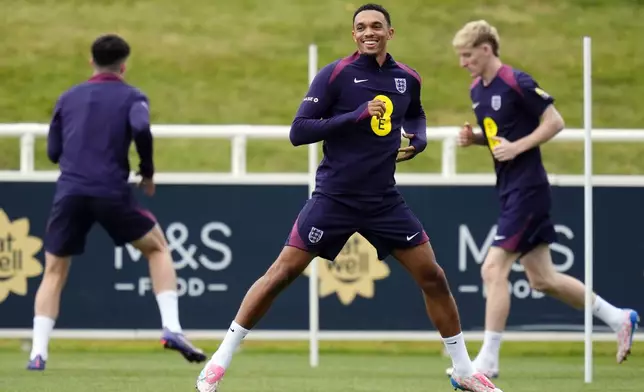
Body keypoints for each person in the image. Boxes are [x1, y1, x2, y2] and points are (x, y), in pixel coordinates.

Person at [195, 4, 503, 392]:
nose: (368, 32)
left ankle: (463, 370)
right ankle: (218, 362)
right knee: (280, 274)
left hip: (383, 200)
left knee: (433, 276)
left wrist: (419, 137)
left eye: (376, 26)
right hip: (335, 198)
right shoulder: (335, 75)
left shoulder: (407, 77)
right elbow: (299, 131)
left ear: (391, 32)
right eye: (361, 27)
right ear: (353, 35)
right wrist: (354, 115)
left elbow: (416, 113)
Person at [446, 19, 639, 379]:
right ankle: (618, 317)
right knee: (543, 279)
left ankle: (487, 361)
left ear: (486, 49)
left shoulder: (516, 81)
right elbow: (499, 136)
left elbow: (555, 121)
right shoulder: (477, 90)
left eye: (467, 55)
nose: (462, 63)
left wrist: (517, 147)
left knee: (492, 269)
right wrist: (474, 139)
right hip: (508, 189)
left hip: (529, 188)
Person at [26, 34, 206, 371]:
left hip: (70, 191)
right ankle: (172, 328)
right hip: (110, 190)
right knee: (158, 249)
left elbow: (52, 153)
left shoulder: (67, 98)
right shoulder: (132, 97)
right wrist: (147, 171)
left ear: (90, 61)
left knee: (53, 270)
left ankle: (38, 353)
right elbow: (141, 128)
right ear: (124, 65)